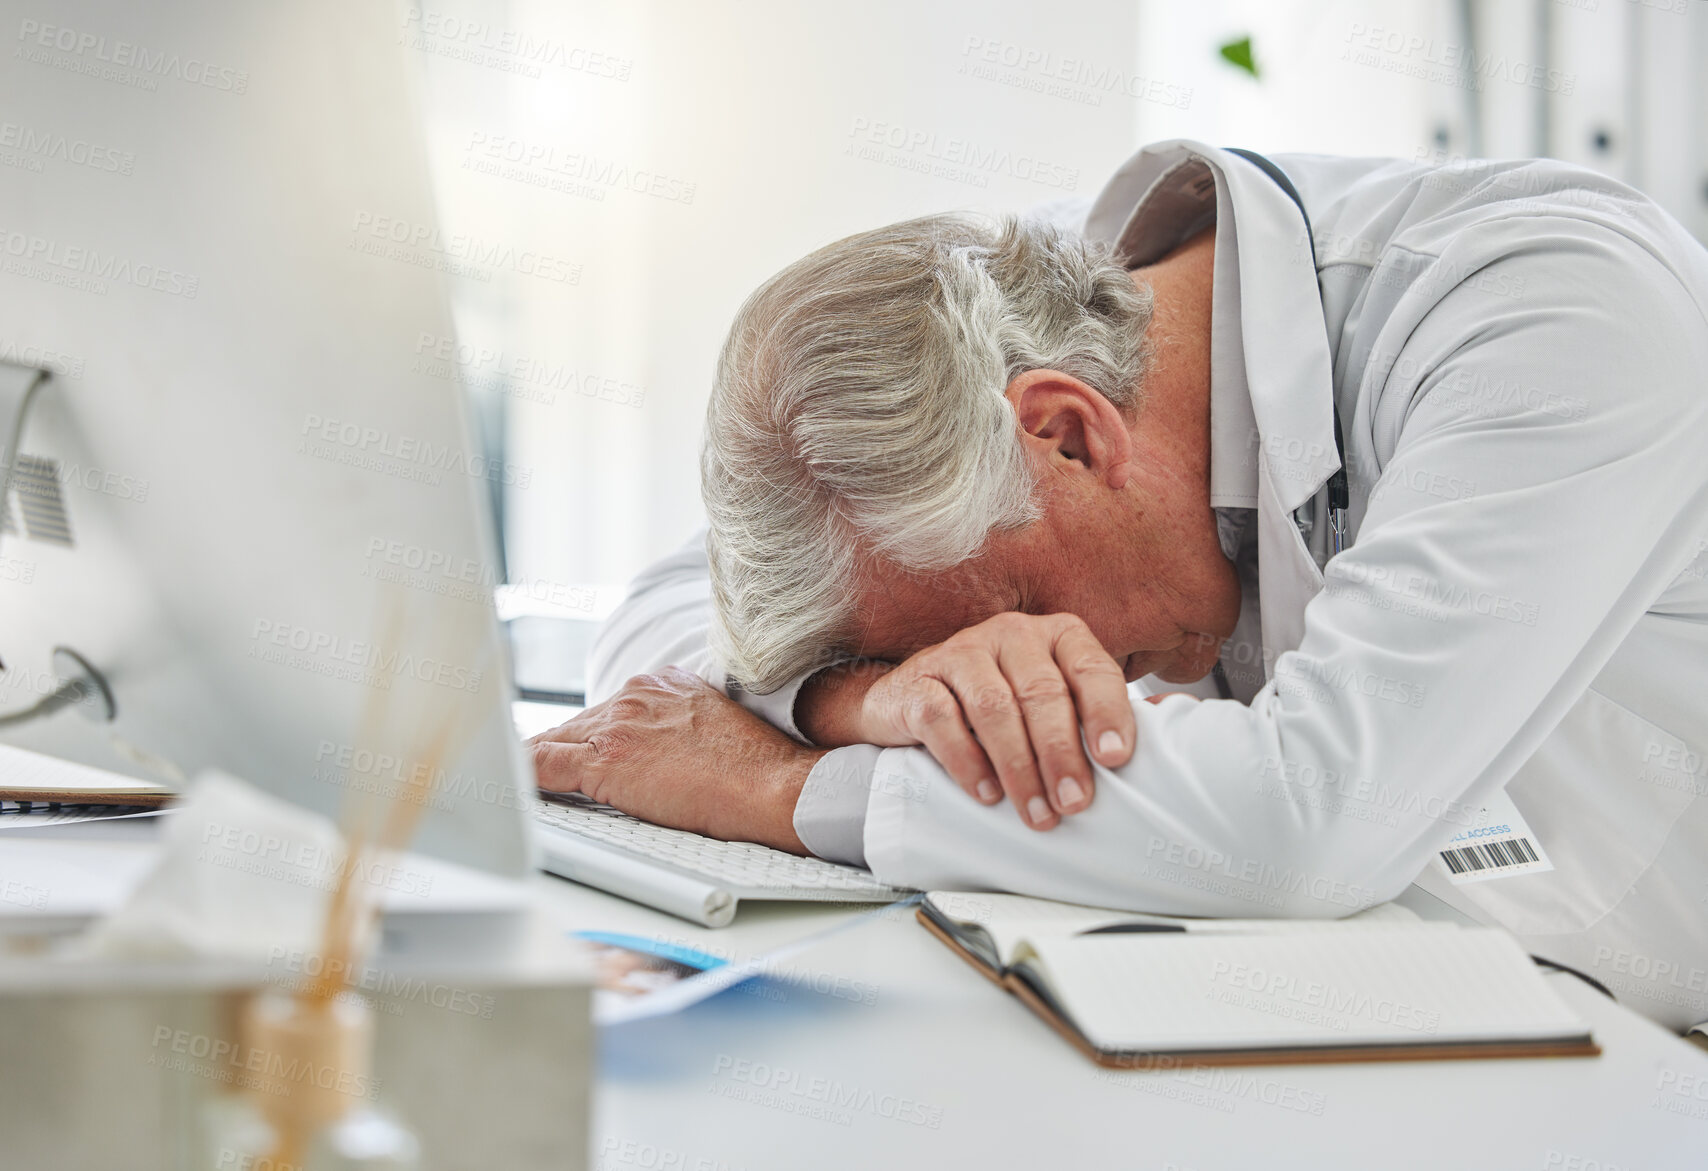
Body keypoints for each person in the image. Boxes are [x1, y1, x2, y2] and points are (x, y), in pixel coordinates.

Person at [531, 140, 1708, 1031]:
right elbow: (661, 629)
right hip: (1446, 996)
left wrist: (779, 785)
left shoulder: (1550, 309)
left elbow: (1307, 820)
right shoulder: (999, 322)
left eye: (990, 629)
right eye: (924, 666)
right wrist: (870, 700)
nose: (994, 680)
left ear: (1069, 436)